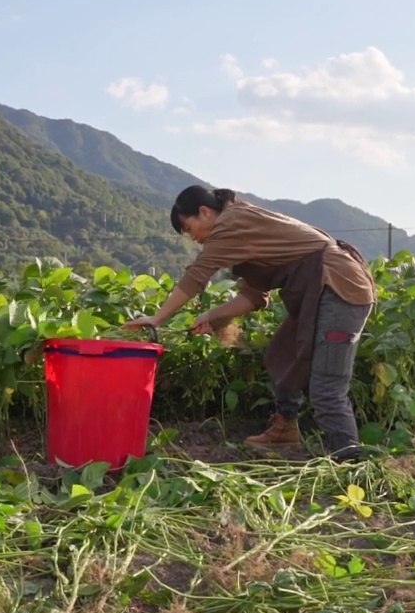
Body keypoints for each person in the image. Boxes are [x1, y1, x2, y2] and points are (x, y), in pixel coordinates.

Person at [122, 186, 378, 460]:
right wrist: (212, 317)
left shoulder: (232, 223)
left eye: (188, 227)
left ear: (204, 212)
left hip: (339, 286)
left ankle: (350, 460)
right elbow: (253, 296)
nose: (192, 238)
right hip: (318, 292)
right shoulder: (242, 229)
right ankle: (285, 430)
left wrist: (157, 319)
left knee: (327, 386)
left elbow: (197, 275)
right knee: (281, 353)